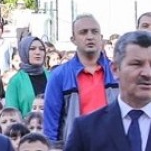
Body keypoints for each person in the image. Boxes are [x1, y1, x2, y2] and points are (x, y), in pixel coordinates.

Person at [43, 15, 116, 143]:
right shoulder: (59, 76)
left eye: (94, 32)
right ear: (73, 39)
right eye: (83, 32)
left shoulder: (118, 72)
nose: (90, 36)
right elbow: (51, 127)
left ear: (101, 37)